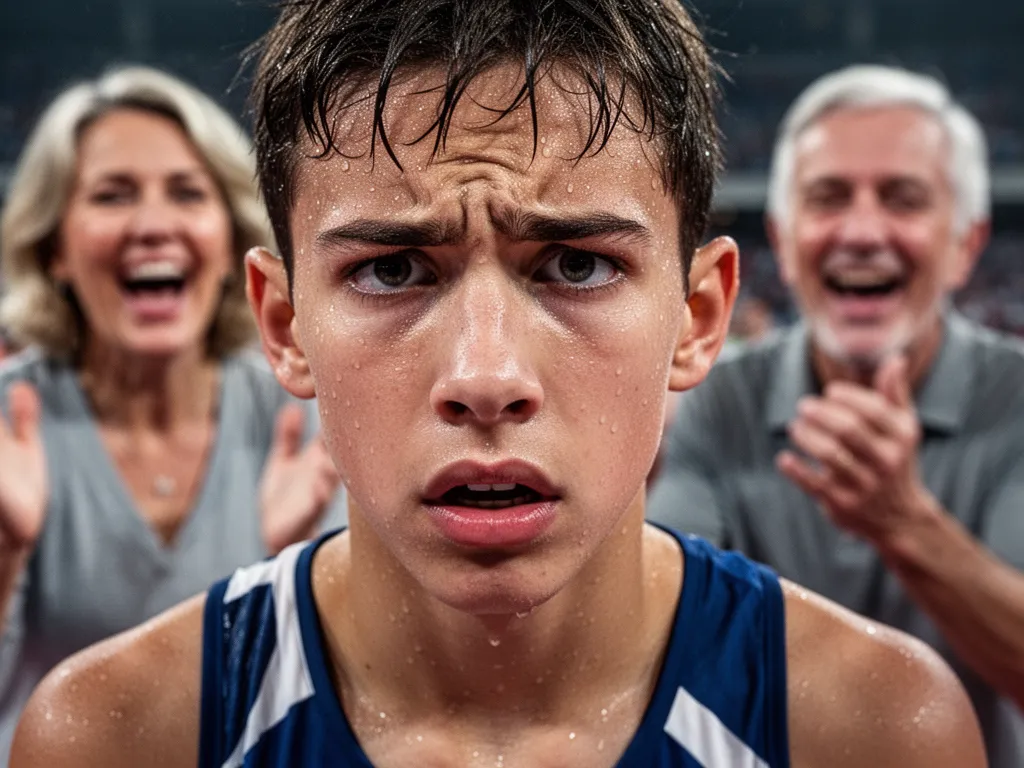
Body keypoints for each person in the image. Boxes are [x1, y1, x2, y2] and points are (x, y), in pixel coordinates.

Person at [12, 7, 985, 768]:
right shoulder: (113, 735)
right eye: (393, 271)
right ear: (282, 323)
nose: (485, 377)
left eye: (574, 264)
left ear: (698, 317)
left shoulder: (876, 727)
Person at [649, 64, 1024, 767]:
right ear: (783, 243)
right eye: (828, 198)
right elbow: (664, 631)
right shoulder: (718, 401)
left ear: (966, 246)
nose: (861, 231)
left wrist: (906, 524)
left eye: (903, 198)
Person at [0, 65, 346, 759]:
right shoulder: (11, 424)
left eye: (187, 193)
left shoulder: (305, 411)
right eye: (112, 195)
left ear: (229, 245)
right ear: (54, 249)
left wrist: (289, 569)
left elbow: (369, 687)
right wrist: (6, 552)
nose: (153, 225)